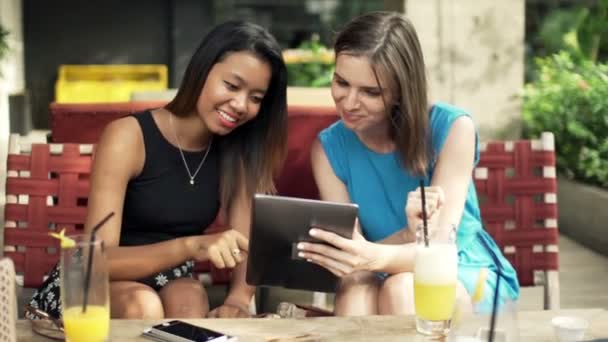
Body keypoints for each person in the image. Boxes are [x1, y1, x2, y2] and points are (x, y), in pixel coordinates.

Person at [27, 21, 288, 319]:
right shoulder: (129, 136)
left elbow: (245, 246)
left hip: (171, 280)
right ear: (201, 70)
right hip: (92, 283)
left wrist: (238, 302)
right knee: (144, 305)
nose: (241, 104)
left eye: (256, 98)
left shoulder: (237, 152)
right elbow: (96, 260)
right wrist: (191, 246)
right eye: (231, 86)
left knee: (190, 298)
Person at [297, 11, 519, 315]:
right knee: (356, 289)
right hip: (376, 269)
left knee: (404, 288)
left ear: (402, 91)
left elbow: (439, 248)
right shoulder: (328, 148)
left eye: (370, 92)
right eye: (341, 82)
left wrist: (368, 256)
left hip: (458, 269)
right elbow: (353, 254)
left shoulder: (453, 128)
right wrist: (380, 248)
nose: (348, 102)